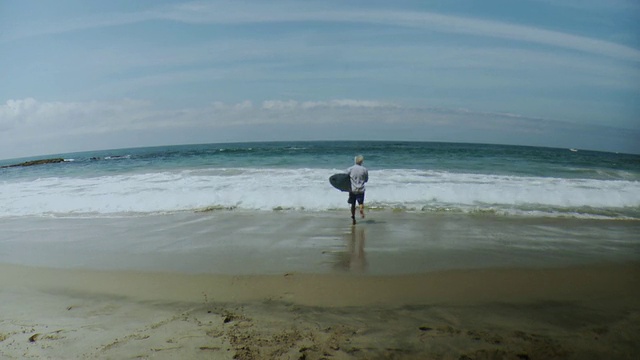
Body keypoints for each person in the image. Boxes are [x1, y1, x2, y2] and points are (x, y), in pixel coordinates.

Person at [346, 155, 368, 225]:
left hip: (353, 189)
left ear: (355, 161)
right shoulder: (364, 169)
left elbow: (345, 177)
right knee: (361, 203)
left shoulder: (350, 169)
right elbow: (366, 179)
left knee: (353, 204)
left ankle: (353, 217)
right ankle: (361, 209)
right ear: (362, 161)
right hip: (361, 189)